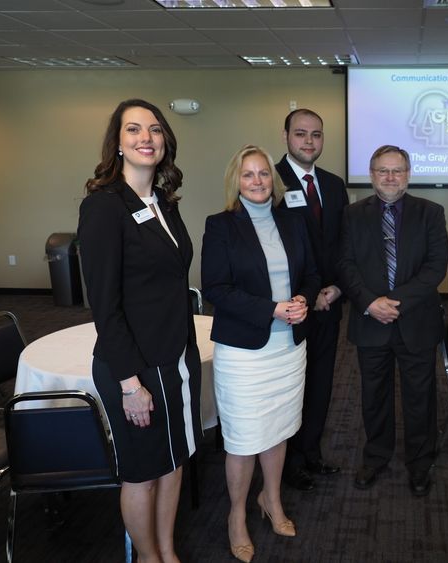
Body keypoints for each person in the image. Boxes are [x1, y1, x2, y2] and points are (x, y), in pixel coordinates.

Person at [78, 99, 202, 563]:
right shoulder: (104, 207)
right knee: (142, 472)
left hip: (175, 356)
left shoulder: (163, 203)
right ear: (118, 143)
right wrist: (130, 384)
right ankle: (149, 559)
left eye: (154, 129)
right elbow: (104, 306)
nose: (145, 138)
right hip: (134, 366)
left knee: (173, 462)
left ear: (166, 140)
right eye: (133, 130)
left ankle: (168, 551)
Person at [201, 145, 320, 562]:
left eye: (264, 174)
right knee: (244, 438)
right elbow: (216, 288)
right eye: (248, 175)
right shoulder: (220, 226)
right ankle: (237, 514)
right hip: (245, 352)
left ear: (274, 179)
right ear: (237, 180)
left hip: (288, 348)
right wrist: (271, 309)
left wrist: (303, 298)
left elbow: (311, 272)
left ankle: (271, 500)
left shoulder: (293, 220)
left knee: (280, 426)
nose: (257, 181)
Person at [338, 145, 448, 497]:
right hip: (370, 321)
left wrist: (393, 302)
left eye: (397, 170)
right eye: (382, 171)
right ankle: (376, 456)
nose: (390, 177)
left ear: (408, 174)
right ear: (371, 175)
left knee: (420, 398)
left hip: (415, 321)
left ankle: (420, 463)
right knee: (374, 395)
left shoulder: (431, 212)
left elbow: (435, 268)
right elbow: (345, 264)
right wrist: (371, 303)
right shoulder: (352, 214)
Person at [275, 109, 349, 491]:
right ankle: (286, 464)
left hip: (329, 303)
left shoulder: (334, 185)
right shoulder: (268, 180)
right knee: (291, 386)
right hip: (290, 308)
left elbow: (342, 245)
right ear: (286, 135)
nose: (309, 141)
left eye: (316, 135)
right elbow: (270, 250)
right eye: (301, 133)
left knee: (321, 384)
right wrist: (307, 294)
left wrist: (336, 288)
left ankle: (312, 454)